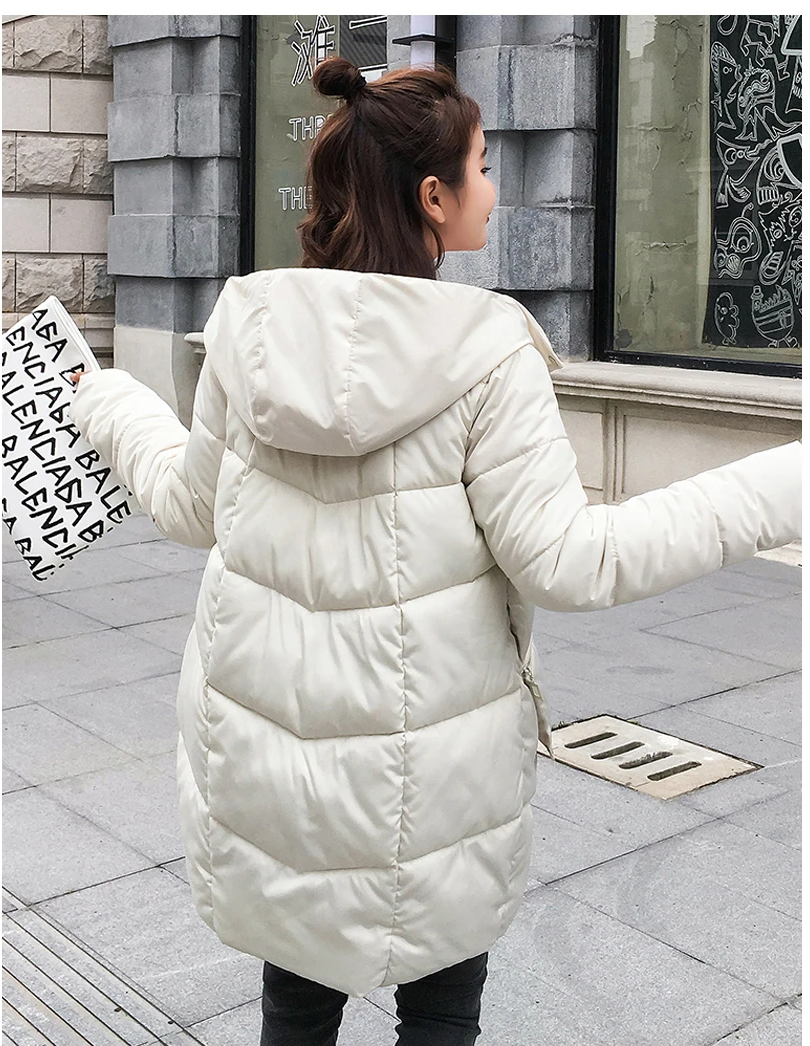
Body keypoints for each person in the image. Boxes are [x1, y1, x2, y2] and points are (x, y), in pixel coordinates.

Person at [69, 56, 800, 1046]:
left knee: (294, 1011)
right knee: (442, 1017)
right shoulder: (488, 355)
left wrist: (110, 400)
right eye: (483, 166)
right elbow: (572, 562)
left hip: (277, 778)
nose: (494, 188)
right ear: (433, 196)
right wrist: (783, 483)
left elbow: (187, 504)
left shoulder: (251, 333)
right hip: (436, 785)